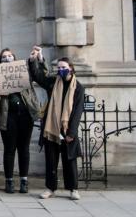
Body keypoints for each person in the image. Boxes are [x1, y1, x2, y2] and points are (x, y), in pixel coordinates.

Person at [28, 45, 85, 201]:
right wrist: (36, 60)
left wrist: (71, 133)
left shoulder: (78, 88)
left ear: (71, 69)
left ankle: (73, 189)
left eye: (64, 67)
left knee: (70, 161)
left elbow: (77, 111)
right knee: (51, 161)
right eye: (59, 67)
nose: (61, 70)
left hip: (67, 130)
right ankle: (50, 188)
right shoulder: (54, 82)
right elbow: (39, 77)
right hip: (51, 129)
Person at [0, 48, 42, 194]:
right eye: (4, 57)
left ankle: (24, 181)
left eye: (9, 56)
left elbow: (36, 74)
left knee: (24, 149)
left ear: (14, 57)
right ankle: (9, 181)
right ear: (0, 61)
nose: (7, 58)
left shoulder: (24, 70)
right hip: (8, 116)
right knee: (9, 149)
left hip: (25, 115)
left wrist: (33, 60)